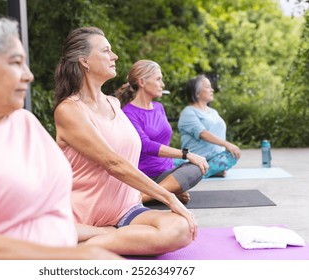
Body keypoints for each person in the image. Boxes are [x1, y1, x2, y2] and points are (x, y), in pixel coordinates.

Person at [0, 16, 121, 260]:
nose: (29, 75)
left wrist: (93, 239)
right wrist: (83, 259)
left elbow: (54, 211)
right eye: (16, 63)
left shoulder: (25, 123)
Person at [53, 27, 198, 256]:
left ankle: (94, 242)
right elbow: (113, 163)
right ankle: (94, 236)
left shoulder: (114, 104)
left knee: (181, 229)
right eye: (106, 51)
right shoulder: (69, 110)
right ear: (84, 61)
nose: (115, 56)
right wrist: (169, 197)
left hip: (126, 211)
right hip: (81, 216)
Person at [116, 60, 208, 205]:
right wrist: (186, 153)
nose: (162, 84)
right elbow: (145, 145)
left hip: (166, 174)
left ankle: (159, 193)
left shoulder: (159, 107)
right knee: (192, 161)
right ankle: (153, 196)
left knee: (197, 167)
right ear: (142, 82)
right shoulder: (128, 113)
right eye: (158, 79)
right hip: (144, 177)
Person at [177, 75, 241, 178]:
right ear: (197, 93)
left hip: (217, 157)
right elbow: (202, 133)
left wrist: (229, 147)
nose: (212, 90)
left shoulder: (213, 112)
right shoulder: (188, 112)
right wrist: (226, 144)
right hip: (195, 158)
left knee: (232, 155)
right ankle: (206, 170)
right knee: (172, 162)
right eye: (207, 87)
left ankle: (203, 171)